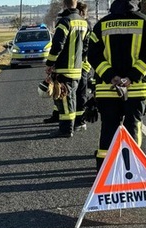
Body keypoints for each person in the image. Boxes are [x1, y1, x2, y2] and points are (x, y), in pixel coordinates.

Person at [88, 0, 146, 169]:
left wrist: (111, 76)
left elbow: (93, 55)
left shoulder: (101, 24)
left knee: (108, 128)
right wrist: (131, 77)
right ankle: (132, 169)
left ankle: (105, 169)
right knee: (133, 127)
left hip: (108, 88)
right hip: (136, 87)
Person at [46, 0, 88, 138]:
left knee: (64, 100)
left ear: (64, 4)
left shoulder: (65, 21)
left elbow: (57, 45)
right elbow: (86, 46)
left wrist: (50, 63)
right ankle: (71, 126)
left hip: (64, 68)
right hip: (77, 69)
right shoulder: (83, 22)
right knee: (71, 98)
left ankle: (65, 129)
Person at [73, 2, 93, 132]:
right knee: (78, 92)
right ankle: (77, 119)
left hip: (84, 65)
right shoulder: (84, 24)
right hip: (80, 64)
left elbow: (87, 46)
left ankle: (81, 121)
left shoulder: (87, 25)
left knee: (81, 93)